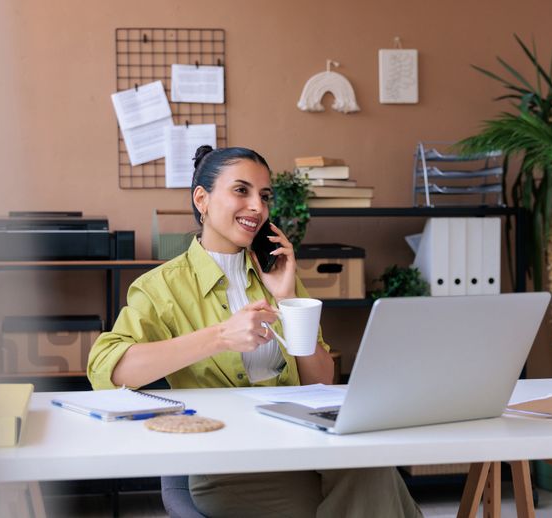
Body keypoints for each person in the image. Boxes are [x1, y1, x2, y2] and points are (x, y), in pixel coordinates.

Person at [87, 145, 421, 518]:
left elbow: (322, 379)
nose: (258, 208)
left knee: (372, 469)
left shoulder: (277, 274)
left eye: (264, 196)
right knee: (374, 493)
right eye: (241, 191)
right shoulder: (161, 287)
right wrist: (219, 337)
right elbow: (108, 370)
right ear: (203, 199)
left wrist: (288, 299)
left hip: (303, 445)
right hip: (228, 462)